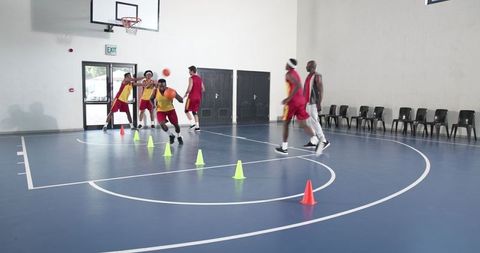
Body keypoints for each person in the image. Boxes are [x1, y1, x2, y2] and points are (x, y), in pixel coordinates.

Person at [275, 58, 324, 155]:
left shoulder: (288, 74)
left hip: (293, 102)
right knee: (303, 124)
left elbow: (297, 86)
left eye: (286, 64)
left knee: (286, 123)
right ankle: (316, 140)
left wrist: (288, 99)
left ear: (289, 65)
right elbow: (299, 86)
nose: (285, 65)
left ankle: (284, 148)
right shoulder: (296, 73)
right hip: (301, 101)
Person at [303, 60, 329, 149]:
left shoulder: (317, 76)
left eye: (307, 65)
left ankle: (323, 140)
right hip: (307, 103)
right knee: (308, 122)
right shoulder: (308, 76)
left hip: (313, 103)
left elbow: (321, 90)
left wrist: (319, 103)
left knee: (314, 121)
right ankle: (314, 140)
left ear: (312, 67)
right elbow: (306, 91)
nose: (306, 67)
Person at [153, 79, 184, 144]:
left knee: (176, 125)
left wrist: (177, 97)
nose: (162, 87)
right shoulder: (155, 90)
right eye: (160, 86)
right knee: (162, 124)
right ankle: (171, 135)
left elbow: (180, 100)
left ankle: (179, 136)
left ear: (166, 85)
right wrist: (154, 105)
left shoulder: (171, 91)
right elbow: (151, 98)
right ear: (158, 85)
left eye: (163, 86)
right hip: (160, 110)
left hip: (170, 110)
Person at [183, 65, 205, 131]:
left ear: (192, 71)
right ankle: (197, 127)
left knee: (186, 110)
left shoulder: (191, 78)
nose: (189, 72)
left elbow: (189, 88)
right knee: (194, 112)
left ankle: (192, 124)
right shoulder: (199, 78)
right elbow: (203, 89)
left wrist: (185, 94)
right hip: (198, 98)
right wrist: (197, 92)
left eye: (189, 71)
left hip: (191, 98)